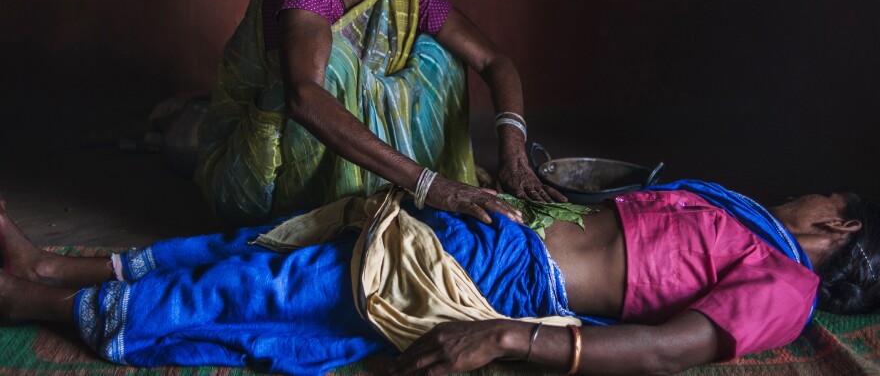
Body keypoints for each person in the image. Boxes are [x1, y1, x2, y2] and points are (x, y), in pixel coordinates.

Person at [1, 180, 878, 375]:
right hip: (500, 232)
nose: (804, 189)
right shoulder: (745, 220)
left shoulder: (786, 282)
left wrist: (503, 334)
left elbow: (666, 350)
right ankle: (56, 264)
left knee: (287, 289)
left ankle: (36, 299)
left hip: (509, 278)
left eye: (824, 192)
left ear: (840, 223)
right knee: (270, 247)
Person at [195, 0, 558, 226]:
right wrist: (432, 186)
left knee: (441, 54)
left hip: (357, 156)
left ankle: (397, 186)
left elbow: (495, 61)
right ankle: (343, 206)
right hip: (259, 173)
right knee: (333, 63)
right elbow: (304, 97)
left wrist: (514, 156)